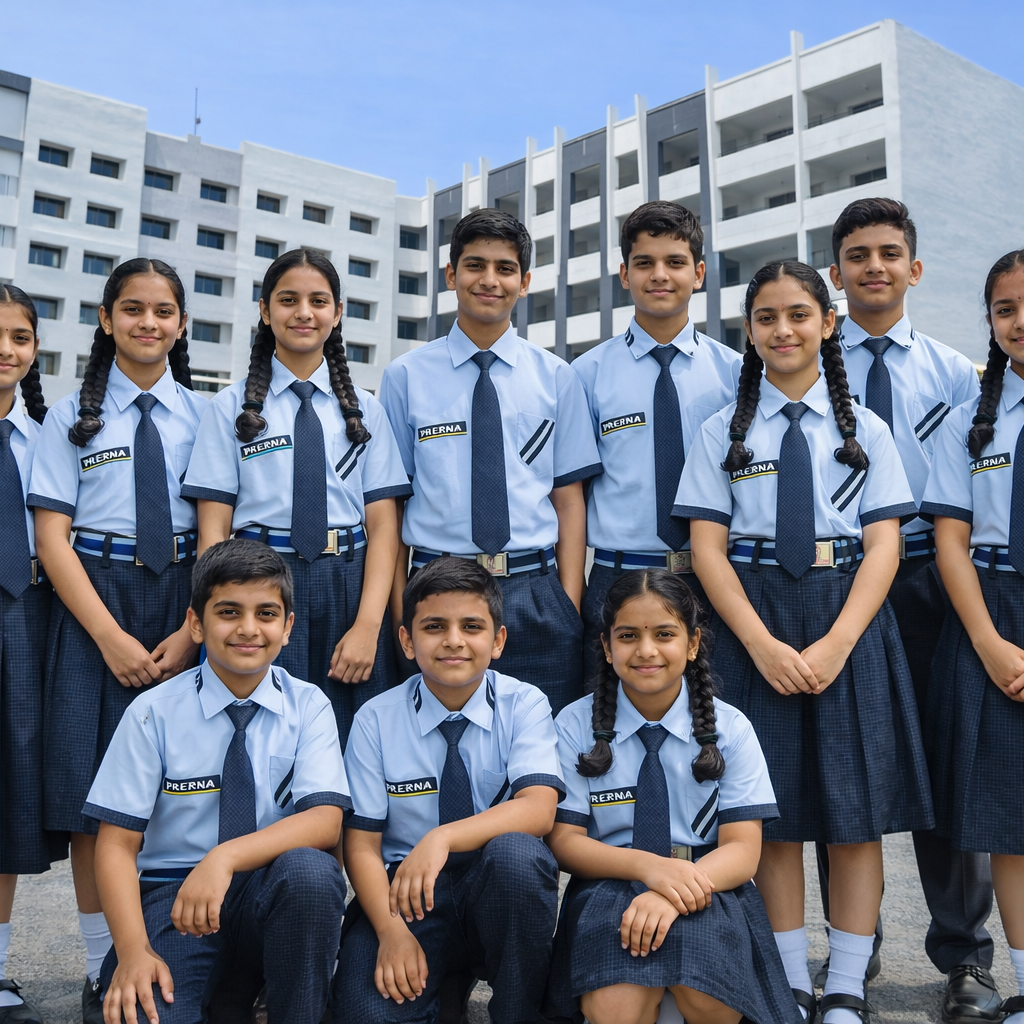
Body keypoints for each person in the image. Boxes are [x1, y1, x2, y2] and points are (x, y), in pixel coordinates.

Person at [677, 261, 932, 1024]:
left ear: (828, 323)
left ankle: (847, 985)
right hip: (751, 616)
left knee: (855, 810)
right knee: (772, 810)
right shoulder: (721, 431)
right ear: (749, 331)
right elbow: (707, 549)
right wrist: (758, 645)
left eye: (798, 314)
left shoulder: (868, 431)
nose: (782, 330)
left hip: (846, 613)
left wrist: (838, 643)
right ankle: (789, 979)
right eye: (766, 317)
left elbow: (885, 545)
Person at [822, 197, 993, 1017]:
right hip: (836, 579)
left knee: (947, 765)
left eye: (889, 253)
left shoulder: (957, 373)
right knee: (837, 765)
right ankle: (852, 952)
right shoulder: (811, 362)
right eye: (857, 255)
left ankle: (965, 957)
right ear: (836, 272)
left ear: (914, 268)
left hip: (930, 578)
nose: (874, 267)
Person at [27, 259, 204, 1023]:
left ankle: (186, 946)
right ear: (105, 319)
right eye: (132, 309)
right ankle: (103, 959)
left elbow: (220, 526)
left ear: (182, 324)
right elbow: (52, 537)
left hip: (184, 597)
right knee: (90, 792)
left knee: (184, 783)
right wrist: (107, 636)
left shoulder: (207, 415)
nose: (148, 323)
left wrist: (192, 630)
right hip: (93, 601)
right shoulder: (70, 417)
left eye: (163, 311)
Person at [86, 539, 348, 1024]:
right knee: (143, 1014)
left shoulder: (309, 706)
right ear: (196, 624)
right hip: (175, 899)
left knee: (312, 873)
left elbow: (325, 821)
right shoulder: (153, 713)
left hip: (271, 893)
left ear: (287, 627)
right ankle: (219, 993)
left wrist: (223, 858)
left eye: (266, 614)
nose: (248, 628)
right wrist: (133, 952)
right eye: (229, 612)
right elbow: (116, 845)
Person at [545, 568, 800, 1024]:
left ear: (693, 642)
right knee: (616, 1008)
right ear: (606, 646)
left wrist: (669, 892)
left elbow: (743, 852)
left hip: (706, 881)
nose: (646, 650)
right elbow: (565, 842)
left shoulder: (731, 728)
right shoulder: (573, 725)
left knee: (709, 997)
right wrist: (650, 868)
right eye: (628, 636)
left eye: (664, 634)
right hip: (610, 881)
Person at [183, 248, 409, 747]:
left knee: (353, 737)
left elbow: (384, 527)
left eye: (318, 301)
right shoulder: (230, 408)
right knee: (263, 733)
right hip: (258, 587)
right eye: (288, 300)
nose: (304, 313)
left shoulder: (366, 411)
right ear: (265, 311)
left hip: (347, 587)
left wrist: (368, 625)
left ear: (338, 312)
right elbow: (213, 530)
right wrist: (221, 608)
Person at [379, 209, 601, 713]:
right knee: (440, 737)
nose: (489, 280)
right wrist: (400, 608)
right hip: (437, 589)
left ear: (525, 282)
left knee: (544, 739)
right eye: (475, 265)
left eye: (505, 269)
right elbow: (392, 505)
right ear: (451, 275)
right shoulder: (405, 377)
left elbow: (568, 500)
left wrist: (567, 603)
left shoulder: (556, 377)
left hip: (535, 593)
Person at [333, 557, 563, 1023]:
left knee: (519, 856)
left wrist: (442, 838)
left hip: (497, 891)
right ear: (407, 641)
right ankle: (444, 983)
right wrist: (391, 932)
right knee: (365, 1014)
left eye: (471, 626)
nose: (454, 640)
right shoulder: (376, 718)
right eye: (434, 626)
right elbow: (360, 845)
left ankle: (517, 1012)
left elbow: (539, 809)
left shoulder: (524, 704)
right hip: (408, 896)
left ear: (498, 640)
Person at [571, 202, 740, 685]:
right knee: (607, 717)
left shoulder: (734, 374)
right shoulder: (586, 375)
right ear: (625, 275)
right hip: (616, 579)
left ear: (699, 273)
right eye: (644, 263)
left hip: (713, 579)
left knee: (710, 717)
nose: (659, 275)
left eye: (675, 262)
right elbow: (574, 496)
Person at [921, 248, 1024, 1024]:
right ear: (989, 320)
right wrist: (989, 642)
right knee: (1008, 821)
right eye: (1006, 309)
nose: (1020, 321)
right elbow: (951, 542)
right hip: (992, 616)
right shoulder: (970, 420)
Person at [0, 287, 63, 1024]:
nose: (6, 349)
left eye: (19, 337)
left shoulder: (47, 437)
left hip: (25, 618)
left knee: (9, 795)